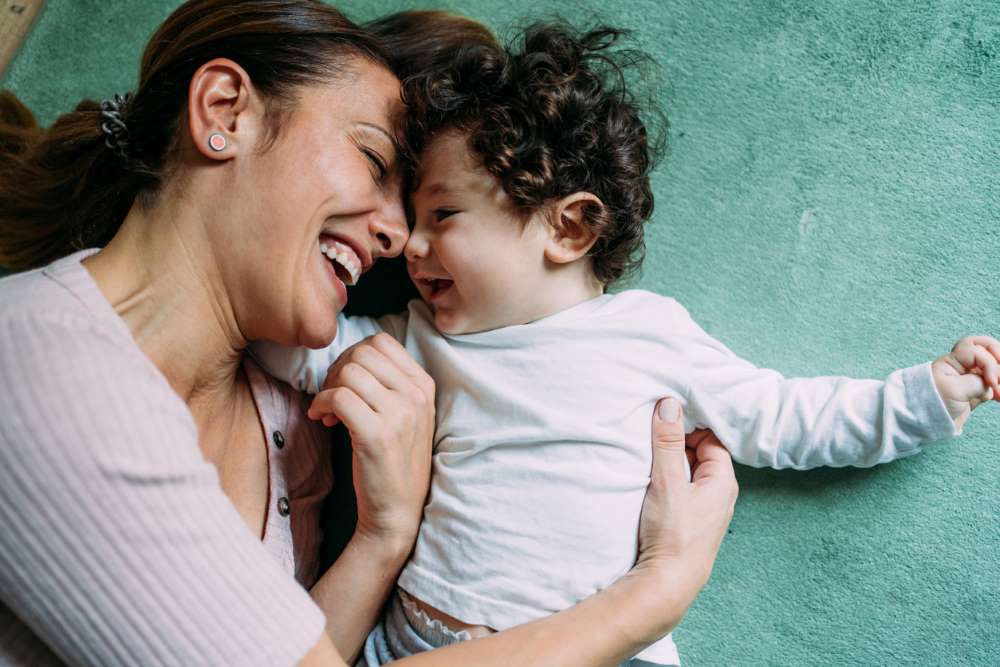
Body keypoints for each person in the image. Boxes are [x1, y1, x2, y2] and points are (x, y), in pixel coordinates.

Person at [0, 1, 738, 665]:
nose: (396, 236)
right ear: (225, 111)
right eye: (374, 159)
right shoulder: (38, 366)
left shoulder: (290, 413)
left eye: (423, 208)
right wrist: (652, 596)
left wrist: (383, 537)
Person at [252, 20, 1000, 666]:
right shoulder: (416, 338)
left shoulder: (649, 335)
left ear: (569, 226)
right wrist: (244, 312)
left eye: (442, 214)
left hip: (590, 642)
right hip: (408, 638)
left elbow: (784, 414)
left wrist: (925, 396)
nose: (409, 244)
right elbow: (306, 345)